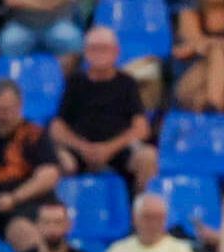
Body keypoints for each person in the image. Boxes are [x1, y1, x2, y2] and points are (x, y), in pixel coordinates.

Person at [49, 28, 157, 191]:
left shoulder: (127, 83)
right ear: (85, 52)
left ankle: (140, 210)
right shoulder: (74, 82)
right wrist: (83, 147)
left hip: (119, 149)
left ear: (116, 52)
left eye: (104, 48)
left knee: (148, 157)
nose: (99, 53)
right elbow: (56, 128)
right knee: (56, 160)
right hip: (80, 149)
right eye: (94, 48)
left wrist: (108, 148)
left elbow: (141, 128)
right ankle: (61, 211)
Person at [0, 79, 61, 248]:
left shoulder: (34, 135)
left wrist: (14, 198)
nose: (1, 115)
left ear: (19, 105)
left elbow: (49, 175)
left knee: (22, 230)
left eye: (6, 109)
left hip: (23, 205)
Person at [173, 0, 224, 114]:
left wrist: (209, 46)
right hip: (192, 80)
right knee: (217, 54)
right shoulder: (188, 14)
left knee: (217, 53)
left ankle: (211, 105)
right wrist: (222, 47)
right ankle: (213, 105)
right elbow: (193, 42)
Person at [0, 0, 81, 60]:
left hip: (56, 23)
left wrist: (28, 3)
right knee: (8, 42)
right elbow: (11, 1)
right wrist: (44, 4)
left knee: (73, 41)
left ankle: (61, 80)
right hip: (21, 25)